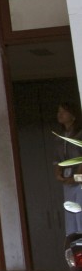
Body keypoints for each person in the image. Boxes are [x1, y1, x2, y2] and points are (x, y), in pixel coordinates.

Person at [57, 101, 82, 236]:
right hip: (68, 179)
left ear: (73, 115)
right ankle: (74, 241)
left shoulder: (79, 134)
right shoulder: (60, 137)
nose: (60, 114)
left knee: (80, 211)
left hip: (79, 178)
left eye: (64, 111)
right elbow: (57, 160)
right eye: (59, 111)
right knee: (70, 212)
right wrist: (58, 174)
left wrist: (76, 177)